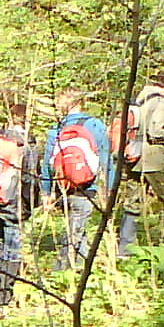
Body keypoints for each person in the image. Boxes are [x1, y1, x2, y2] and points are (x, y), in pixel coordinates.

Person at [41, 102, 116, 270]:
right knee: (74, 229)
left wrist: (46, 192)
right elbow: (106, 159)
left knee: (75, 226)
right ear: (81, 104)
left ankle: (78, 269)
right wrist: (109, 188)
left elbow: (47, 164)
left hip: (63, 186)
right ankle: (62, 270)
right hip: (87, 187)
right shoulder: (95, 125)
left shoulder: (56, 130)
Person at [113, 81, 164, 257]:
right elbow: (155, 131)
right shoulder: (159, 102)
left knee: (132, 202)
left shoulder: (138, 99)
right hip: (152, 159)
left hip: (133, 157)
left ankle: (125, 248)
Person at [0, 106, 34, 308]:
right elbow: (29, 179)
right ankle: (3, 296)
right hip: (12, 206)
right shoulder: (23, 146)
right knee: (12, 250)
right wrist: (29, 207)